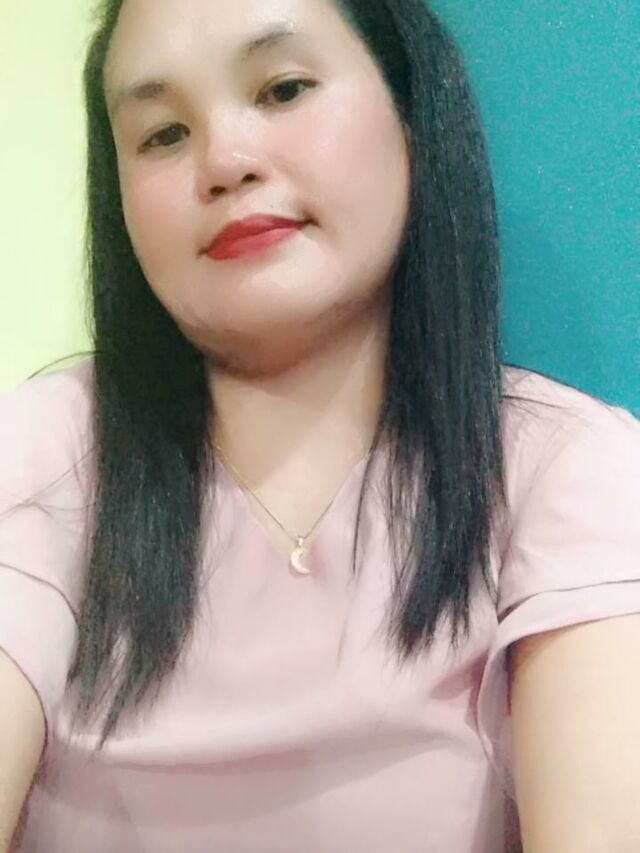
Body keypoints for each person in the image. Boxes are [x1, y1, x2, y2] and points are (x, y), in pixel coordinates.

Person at [1, 0, 639, 851]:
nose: (224, 161)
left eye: (283, 89)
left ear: (410, 116)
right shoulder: (41, 455)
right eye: (163, 135)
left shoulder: (562, 469)